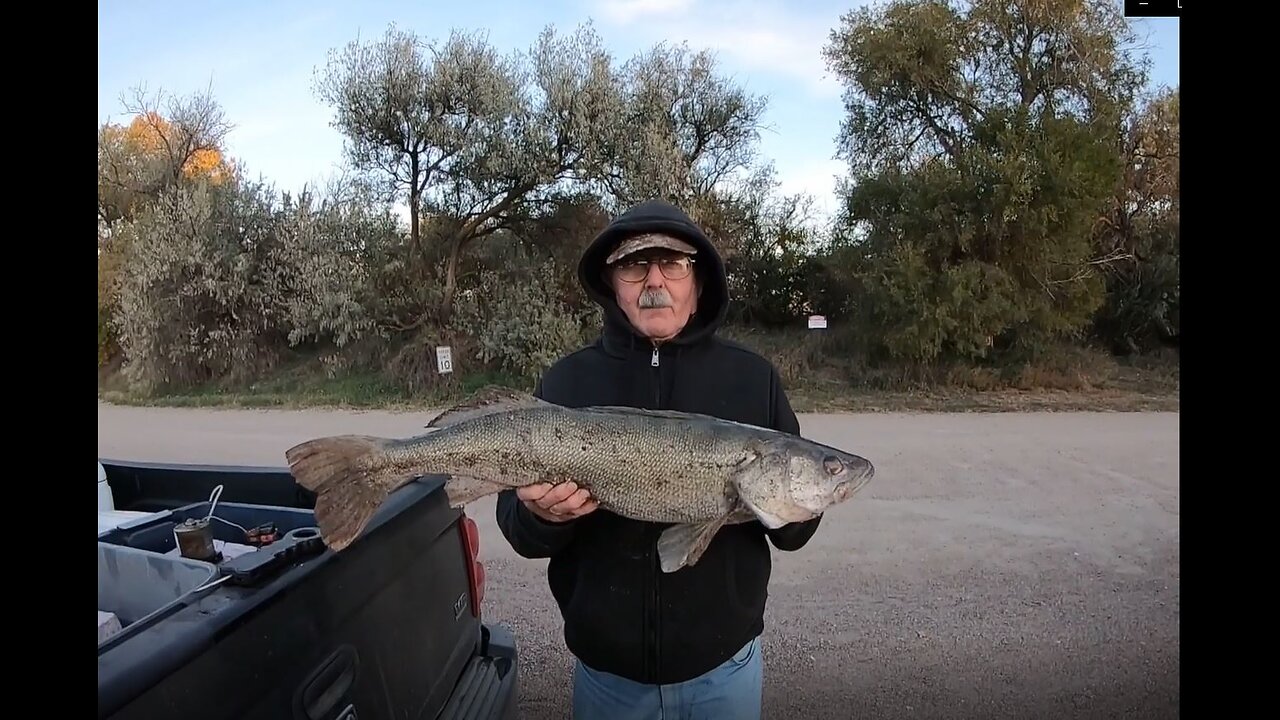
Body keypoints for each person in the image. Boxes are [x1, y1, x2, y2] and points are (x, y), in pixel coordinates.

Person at [494, 199, 823, 720]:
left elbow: (793, 533)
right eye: (633, 265)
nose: (655, 281)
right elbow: (515, 526)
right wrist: (540, 516)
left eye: (672, 264)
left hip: (724, 673)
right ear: (612, 283)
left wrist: (802, 504)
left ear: (697, 281)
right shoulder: (565, 383)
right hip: (607, 682)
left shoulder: (752, 380)